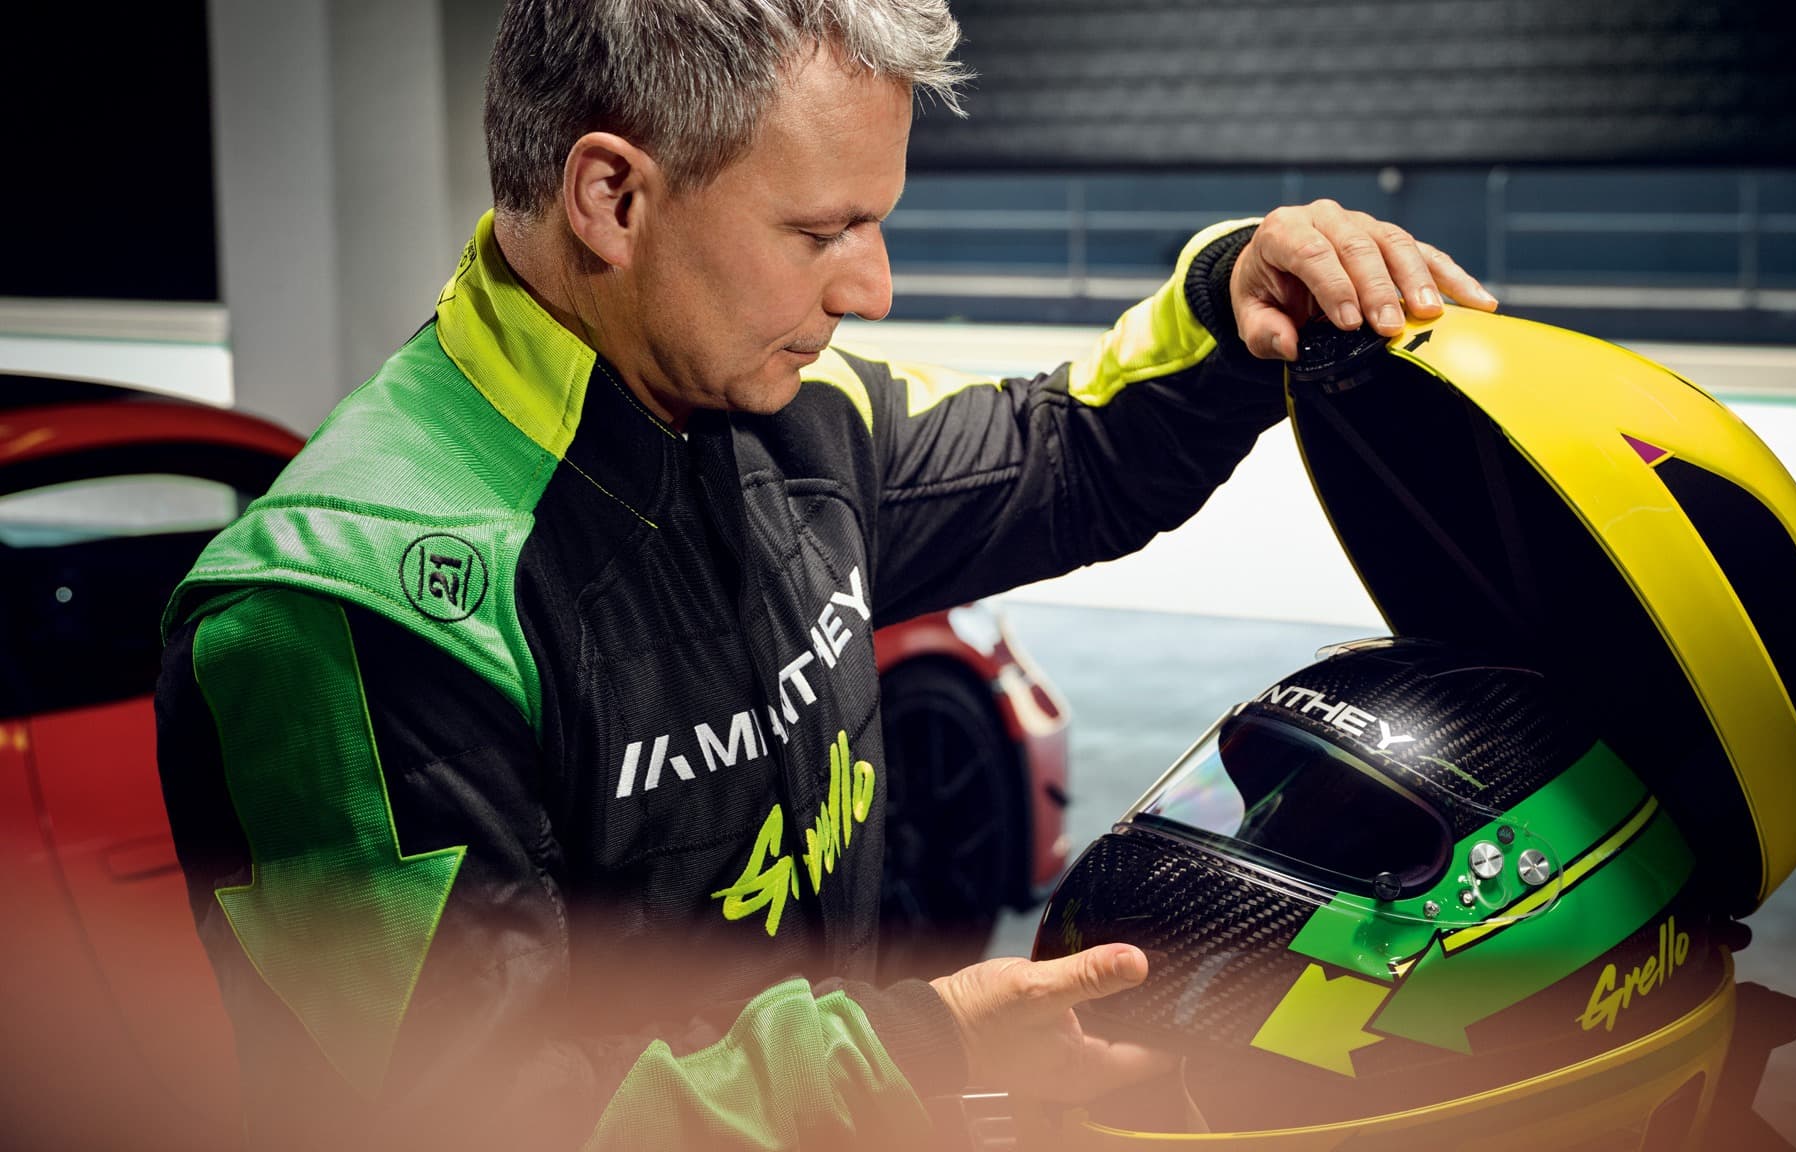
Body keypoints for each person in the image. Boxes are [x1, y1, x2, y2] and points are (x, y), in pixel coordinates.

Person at [154, 1, 1497, 1148]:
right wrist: (898, 1060)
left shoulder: (796, 417)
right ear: (611, 197)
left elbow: (1070, 452)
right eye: (822, 231)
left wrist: (1229, 298)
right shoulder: (348, 605)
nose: (876, 288)